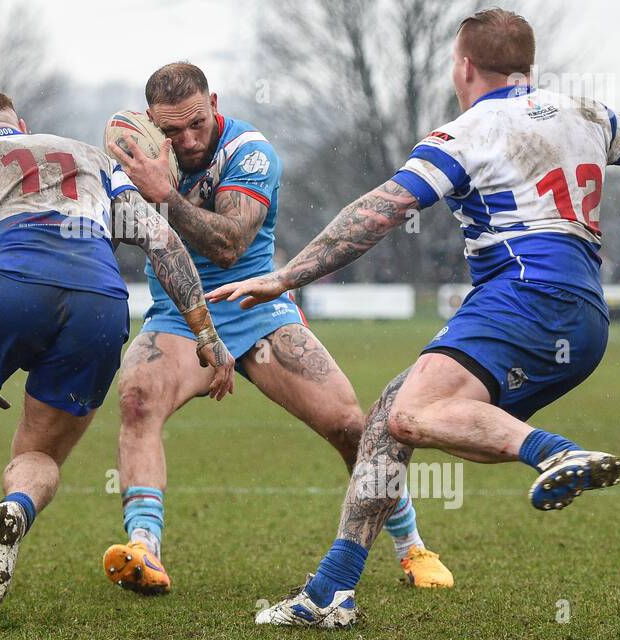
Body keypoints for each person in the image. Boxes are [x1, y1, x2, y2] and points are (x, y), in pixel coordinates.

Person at [209, 9, 620, 628]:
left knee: (414, 414)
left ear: (463, 66)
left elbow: (380, 211)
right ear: (528, 65)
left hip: (521, 297)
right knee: (394, 416)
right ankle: (332, 592)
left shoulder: (469, 131)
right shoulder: (586, 114)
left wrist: (287, 275)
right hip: (585, 316)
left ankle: (556, 452)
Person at [0, 88, 234, 617]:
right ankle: (17, 505)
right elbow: (163, 244)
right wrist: (208, 336)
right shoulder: (92, 158)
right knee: (37, 457)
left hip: (8, 283)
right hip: (99, 302)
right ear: (22, 124)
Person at [103, 62, 451, 594]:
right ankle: (144, 550)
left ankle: (413, 548)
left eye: (197, 123)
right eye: (171, 131)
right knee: (136, 399)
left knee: (349, 426)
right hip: (181, 310)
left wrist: (164, 196)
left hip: (257, 305)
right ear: (152, 123)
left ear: (214, 103)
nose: (188, 140)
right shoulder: (136, 153)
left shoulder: (251, 153)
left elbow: (228, 244)